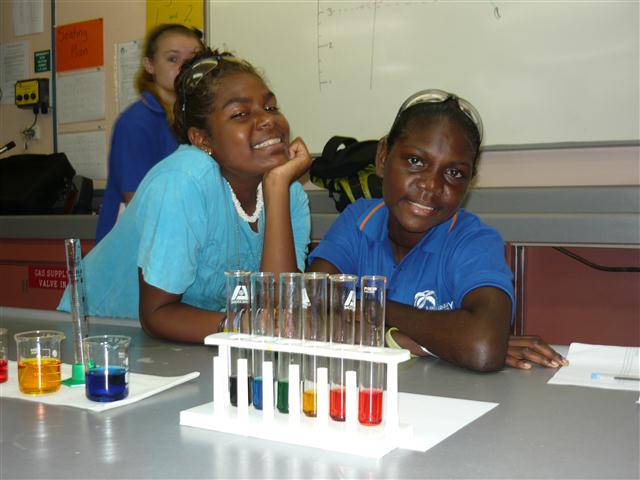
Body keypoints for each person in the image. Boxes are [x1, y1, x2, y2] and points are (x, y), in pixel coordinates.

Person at [59, 48, 312, 343]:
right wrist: (248, 326)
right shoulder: (183, 181)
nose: (267, 120)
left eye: (270, 107)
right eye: (241, 113)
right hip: (98, 337)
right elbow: (156, 314)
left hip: (195, 341)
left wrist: (278, 187)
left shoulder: (289, 193)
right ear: (202, 139)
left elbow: (279, 313)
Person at [307, 89, 568, 372]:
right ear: (383, 157)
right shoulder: (357, 221)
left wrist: (372, 309)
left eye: (454, 173)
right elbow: (306, 308)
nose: (431, 186)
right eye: (416, 161)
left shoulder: (473, 241)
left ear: (469, 182)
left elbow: (482, 347)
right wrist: (410, 339)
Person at [95, 24, 205, 243]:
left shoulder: (197, 119)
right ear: (150, 65)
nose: (184, 67)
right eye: (173, 59)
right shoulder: (136, 121)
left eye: (193, 59)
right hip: (134, 248)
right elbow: (137, 202)